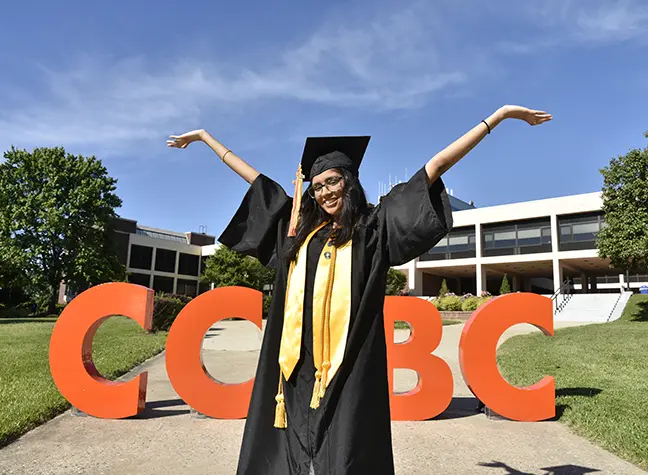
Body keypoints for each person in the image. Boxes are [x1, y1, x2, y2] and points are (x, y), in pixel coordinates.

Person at [167, 105, 552, 475]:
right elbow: (255, 180)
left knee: (347, 448)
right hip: (294, 360)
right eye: (316, 186)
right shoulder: (298, 230)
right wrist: (205, 138)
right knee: (288, 445)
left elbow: (434, 168)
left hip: (349, 361)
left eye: (331, 181)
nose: (324, 192)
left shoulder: (374, 227)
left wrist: (497, 118)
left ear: (348, 182)